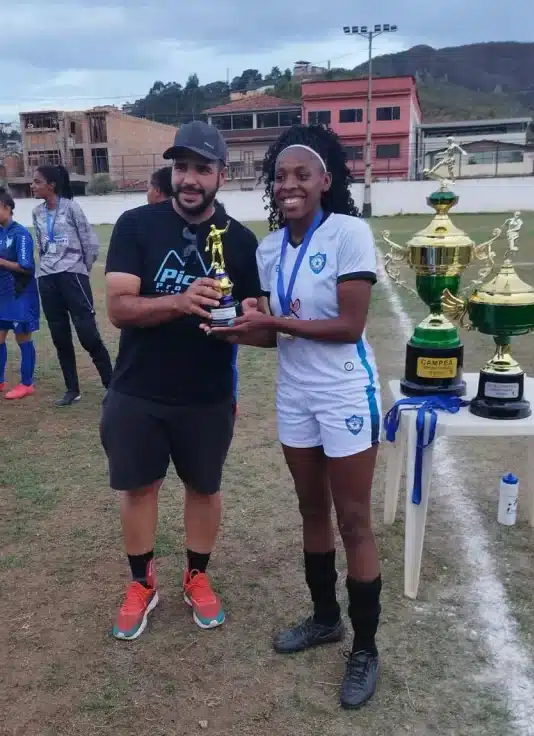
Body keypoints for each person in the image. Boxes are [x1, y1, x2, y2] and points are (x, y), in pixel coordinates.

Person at [207, 124, 383, 710]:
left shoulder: (349, 233)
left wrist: (273, 324)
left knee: (353, 519)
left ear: (325, 181)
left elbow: (348, 328)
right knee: (312, 510)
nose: (289, 185)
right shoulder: (267, 248)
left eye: (301, 175)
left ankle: (365, 648)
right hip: (296, 394)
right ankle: (325, 617)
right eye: (280, 176)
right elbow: (276, 338)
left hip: (343, 393)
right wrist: (233, 334)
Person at [101, 120, 261, 641]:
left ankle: (197, 574)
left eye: (202, 169)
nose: (190, 179)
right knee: (139, 486)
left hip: (207, 393)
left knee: (204, 487)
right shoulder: (136, 225)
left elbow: (250, 316)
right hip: (138, 390)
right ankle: (141, 581)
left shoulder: (239, 241)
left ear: (221, 175)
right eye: (182, 167)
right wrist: (178, 301)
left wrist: (241, 323)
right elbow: (119, 308)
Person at [31, 165, 113, 407]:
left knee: (87, 334)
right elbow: (41, 244)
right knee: (60, 336)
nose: (32, 186)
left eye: (37, 181)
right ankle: (72, 389)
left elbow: (90, 242)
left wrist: (80, 268)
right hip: (47, 278)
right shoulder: (36, 212)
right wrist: (47, 267)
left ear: (52, 185)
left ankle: (112, 385)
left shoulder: (72, 208)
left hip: (73, 276)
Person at [0, 188, 40, 400]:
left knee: (23, 339)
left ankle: (27, 384)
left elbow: (27, 267)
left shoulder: (20, 234)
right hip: (0, 296)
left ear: (8, 208)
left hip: (19, 295)